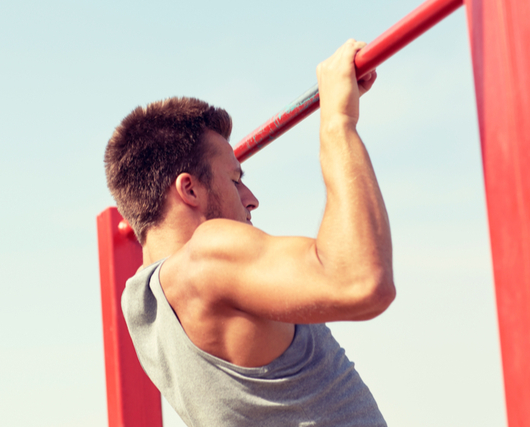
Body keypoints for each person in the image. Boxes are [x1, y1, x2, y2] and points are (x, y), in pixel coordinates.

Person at [104, 39, 394, 426]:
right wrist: (338, 122)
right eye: (235, 179)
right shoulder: (207, 255)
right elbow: (362, 280)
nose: (251, 198)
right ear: (188, 189)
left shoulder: (140, 305)